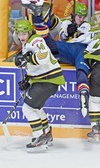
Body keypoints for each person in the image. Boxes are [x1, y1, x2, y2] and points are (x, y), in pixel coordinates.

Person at [21, 0, 91, 118]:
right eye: (78, 16)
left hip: (80, 49)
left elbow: (86, 40)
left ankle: (83, 93)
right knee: (47, 42)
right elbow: (62, 38)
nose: (81, 19)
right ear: (73, 15)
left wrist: (76, 33)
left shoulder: (87, 25)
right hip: (66, 50)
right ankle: (37, 14)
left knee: (81, 65)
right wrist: (67, 33)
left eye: (83, 16)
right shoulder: (65, 23)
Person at [13, 19, 65, 152]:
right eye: (19, 34)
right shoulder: (27, 44)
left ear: (29, 32)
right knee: (36, 108)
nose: (21, 36)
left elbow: (44, 58)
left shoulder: (36, 40)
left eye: (24, 33)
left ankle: (38, 137)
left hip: (48, 79)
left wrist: (26, 59)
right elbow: (35, 67)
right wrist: (28, 80)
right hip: (45, 80)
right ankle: (47, 134)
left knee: (28, 109)